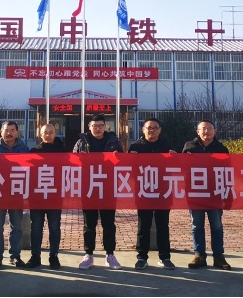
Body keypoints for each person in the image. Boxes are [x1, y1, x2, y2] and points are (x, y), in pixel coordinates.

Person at [73, 113, 124, 270]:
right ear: (89, 126)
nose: (98, 129)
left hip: (108, 186)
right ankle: (89, 254)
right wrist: (78, 158)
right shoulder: (81, 141)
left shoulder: (113, 141)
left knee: (109, 223)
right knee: (89, 223)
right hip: (88, 187)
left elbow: (123, 161)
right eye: (95, 126)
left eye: (101, 126)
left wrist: (118, 157)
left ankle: (110, 254)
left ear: (105, 126)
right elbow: (72, 162)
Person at [182, 119, 231, 270]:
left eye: (209, 129)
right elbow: (181, 168)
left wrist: (228, 194)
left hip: (215, 193)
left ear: (215, 131)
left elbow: (227, 172)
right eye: (203, 129)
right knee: (197, 225)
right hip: (195, 193)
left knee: (216, 225)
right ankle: (199, 255)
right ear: (197, 131)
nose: (206, 131)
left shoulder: (221, 148)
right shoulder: (189, 146)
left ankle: (218, 256)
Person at [128, 118, 176, 270]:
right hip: (143, 191)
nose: (152, 130)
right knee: (144, 226)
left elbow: (176, 167)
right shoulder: (135, 147)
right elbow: (129, 170)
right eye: (149, 127)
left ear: (160, 130)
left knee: (163, 225)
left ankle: (165, 257)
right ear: (143, 129)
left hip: (163, 191)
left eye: (155, 128)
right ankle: (142, 257)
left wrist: (175, 157)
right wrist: (131, 159)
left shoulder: (167, 145)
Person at [0, 120, 30, 269]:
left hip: (16, 192)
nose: (9, 133)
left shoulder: (24, 149)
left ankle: (15, 256)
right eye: (6, 130)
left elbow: (30, 170)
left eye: (12, 130)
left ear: (17, 132)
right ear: (1, 132)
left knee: (16, 227)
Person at [25, 123, 67, 269]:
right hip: (36, 195)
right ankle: (35, 256)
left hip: (55, 195)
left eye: (51, 132)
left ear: (56, 133)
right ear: (40, 134)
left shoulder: (63, 153)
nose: (48, 135)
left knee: (54, 227)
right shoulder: (33, 152)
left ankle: (54, 256)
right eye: (45, 132)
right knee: (36, 227)